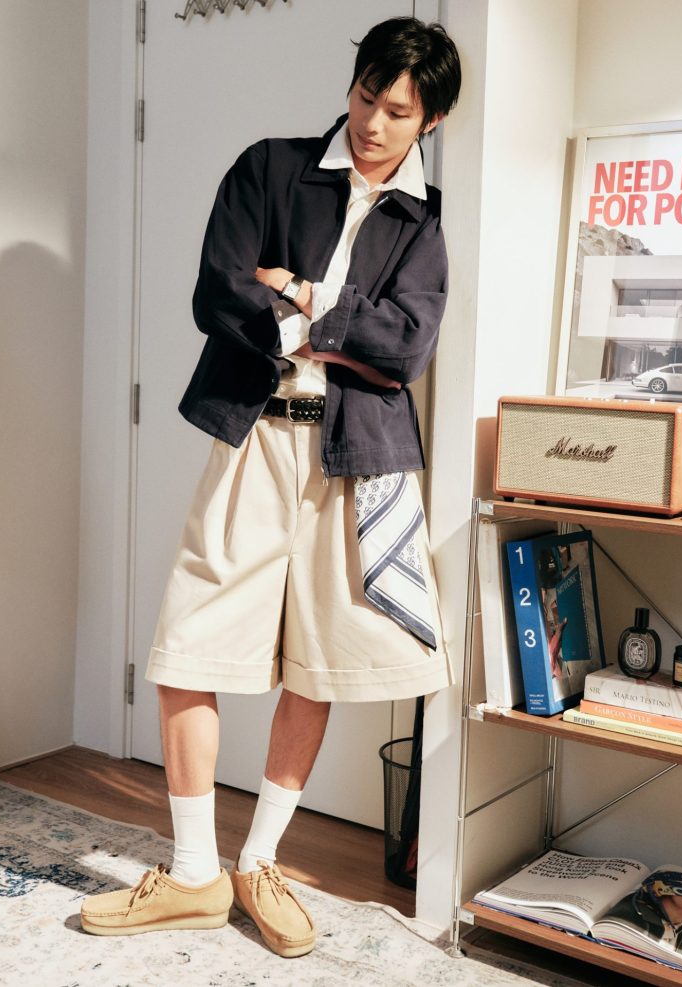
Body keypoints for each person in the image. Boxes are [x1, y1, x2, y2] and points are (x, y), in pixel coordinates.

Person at [80, 16, 461, 958]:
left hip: (357, 460)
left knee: (316, 663)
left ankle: (258, 862)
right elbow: (218, 291)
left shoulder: (424, 220)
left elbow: (407, 350)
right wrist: (327, 329)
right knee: (188, 645)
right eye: (365, 97)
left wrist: (302, 294)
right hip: (255, 435)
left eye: (398, 111)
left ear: (432, 120)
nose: (372, 122)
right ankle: (195, 873)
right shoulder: (271, 168)